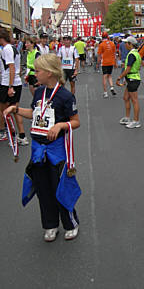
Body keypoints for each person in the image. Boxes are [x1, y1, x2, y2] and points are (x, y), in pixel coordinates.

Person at [3, 54, 81, 242]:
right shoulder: (38, 93)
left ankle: (70, 223)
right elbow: (34, 114)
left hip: (57, 150)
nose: (34, 74)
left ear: (49, 73)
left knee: (59, 187)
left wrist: (60, 126)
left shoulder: (65, 96)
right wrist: (15, 109)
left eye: (37, 71)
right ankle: (50, 224)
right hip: (38, 150)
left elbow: (75, 122)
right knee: (43, 189)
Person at [0, 27, 29, 145]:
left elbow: (11, 67)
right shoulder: (13, 48)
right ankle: (21, 135)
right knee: (15, 109)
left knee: (2, 109)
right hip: (16, 82)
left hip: (8, 83)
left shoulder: (6, 49)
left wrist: (10, 86)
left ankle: (3, 132)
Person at [116, 36, 142, 129]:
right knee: (126, 97)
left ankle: (136, 121)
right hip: (132, 78)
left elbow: (128, 69)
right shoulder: (136, 53)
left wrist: (119, 77)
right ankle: (127, 118)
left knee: (134, 100)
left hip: (132, 78)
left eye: (126, 43)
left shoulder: (132, 54)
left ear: (130, 44)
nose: (125, 44)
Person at [97, 32, 117, 98]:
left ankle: (105, 92)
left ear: (102, 37)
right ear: (108, 37)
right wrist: (115, 63)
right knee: (110, 75)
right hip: (111, 62)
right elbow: (114, 54)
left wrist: (98, 63)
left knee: (104, 77)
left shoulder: (101, 44)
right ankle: (112, 87)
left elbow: (99, 55)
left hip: (104, 62)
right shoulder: (112, 43)